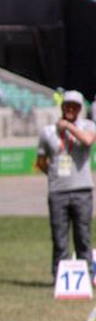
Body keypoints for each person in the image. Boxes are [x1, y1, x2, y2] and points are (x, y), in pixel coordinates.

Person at [36, 90, 96, 285]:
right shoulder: (48, 132)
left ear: (80, 109)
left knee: (83, 236)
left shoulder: (87, 125)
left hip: (82, 190)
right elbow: (41, 160)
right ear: (62, 106)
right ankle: (59, 278)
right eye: (68, 105)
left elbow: (87, 140)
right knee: (59, 237)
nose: (71, 109)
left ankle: (86, 276)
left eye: (75, 106)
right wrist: (53, 175)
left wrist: (68, 127)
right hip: (57, 191)